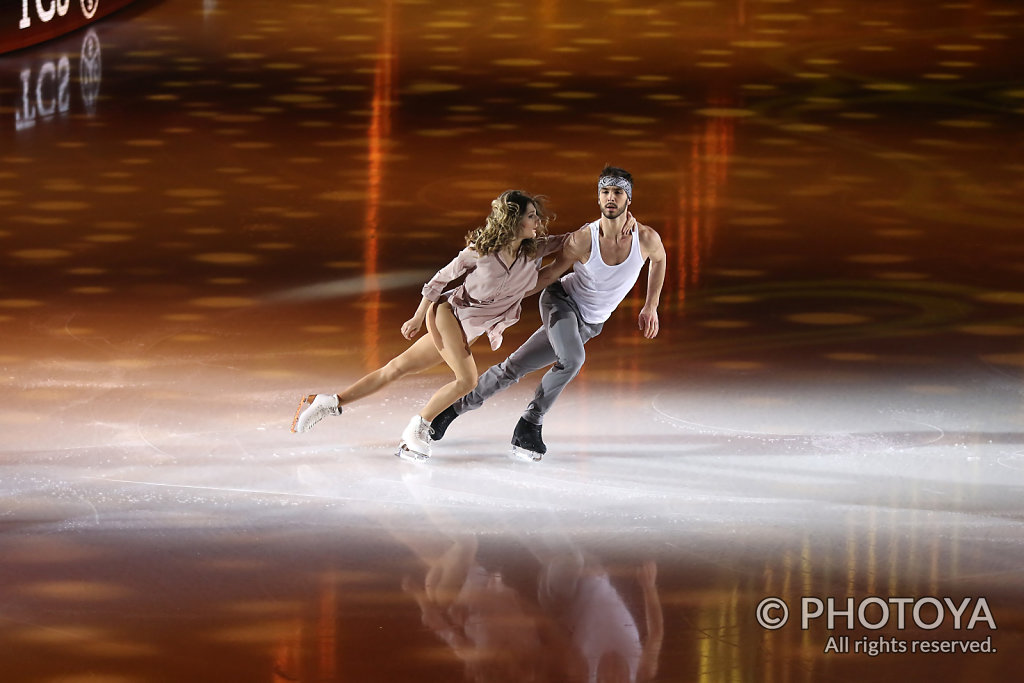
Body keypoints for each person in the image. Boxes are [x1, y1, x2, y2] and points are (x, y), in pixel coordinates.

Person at [291, 189, 565, 462]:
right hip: (447, 315)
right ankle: (417, 429)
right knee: (468, 380)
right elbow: (439, 280)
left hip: (467, 329)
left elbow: (573, 240)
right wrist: (418, 316)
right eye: (531, 216)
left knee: (395, 369)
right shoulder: (481, 252)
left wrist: (604, 225)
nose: (538, 222)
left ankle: (330, 402)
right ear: (513, 221)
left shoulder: (535, 250)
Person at [430, 166, 667, 461]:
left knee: (513, 368)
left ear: (628, 199)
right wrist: (503, 301)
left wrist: (651, 305)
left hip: (590, 324)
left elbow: (659, 260)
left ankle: (449, 411)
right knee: (573, 359)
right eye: (605, 192)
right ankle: (530, 423)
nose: (610, 198)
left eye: (617, 192)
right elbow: (549, 274)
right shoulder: (584, 238)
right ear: (598, 198)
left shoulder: (646, 239)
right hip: (561, 302)